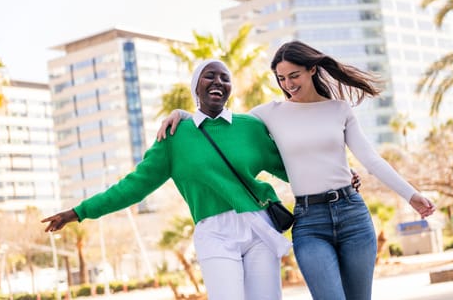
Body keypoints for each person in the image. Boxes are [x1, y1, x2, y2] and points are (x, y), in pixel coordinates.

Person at [157, 41, 436, 300]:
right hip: (310, 221)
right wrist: (182, 115)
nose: (288, 84)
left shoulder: (339, 110)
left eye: (294, 75)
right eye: (281, 78)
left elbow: (372, 160)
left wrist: (411, 195)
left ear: (312, 69)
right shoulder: (268, 113)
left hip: (353, 215)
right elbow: (220, 123)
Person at [42, 59, 295, 300]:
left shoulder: (250, 127)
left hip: (258, 226)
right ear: (196, 85)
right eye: (210, 75)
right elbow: (134, 186)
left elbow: (293, 169)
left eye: (224, 78)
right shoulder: (175, 136)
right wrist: (79, 212)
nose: (218, 81)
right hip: (214, 234)